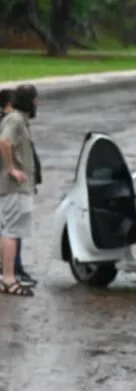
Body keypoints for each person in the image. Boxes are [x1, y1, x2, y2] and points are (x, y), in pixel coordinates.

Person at [0, 84, 38, 297]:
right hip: (15, 187)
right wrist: (12, 168)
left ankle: (6, 276)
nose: (36, 103)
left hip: (16, 187)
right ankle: (9, 278)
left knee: (8, 229)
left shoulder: (17, 119)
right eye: (34, 99)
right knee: (12, 232)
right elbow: (4, 141)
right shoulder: (15, 120)